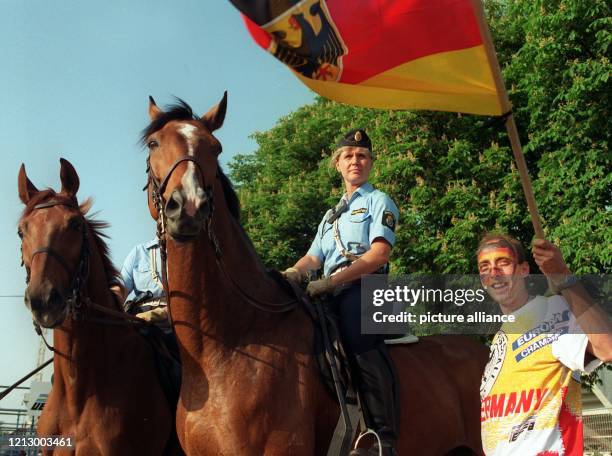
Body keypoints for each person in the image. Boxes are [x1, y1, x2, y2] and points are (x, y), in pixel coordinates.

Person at [283, 129, 400, 456]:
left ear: (371, 163)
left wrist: (333, 282)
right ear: (337, 164)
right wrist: (292, 273)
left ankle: (383, 438)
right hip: (329, 289)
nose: (355, 161)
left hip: (366, 286)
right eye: (348, 156)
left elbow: (379, 254)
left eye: (362, 156)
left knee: (357, 337)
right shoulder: (330, 216)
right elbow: (313, 258)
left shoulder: (379, 201)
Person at [477, 233, 612, 456]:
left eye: (503, 262)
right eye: (485, 266)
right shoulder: (500, 337)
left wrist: (563, 277)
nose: (494, 272)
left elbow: (607, 347)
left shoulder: (552, 310)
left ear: (523, 270)